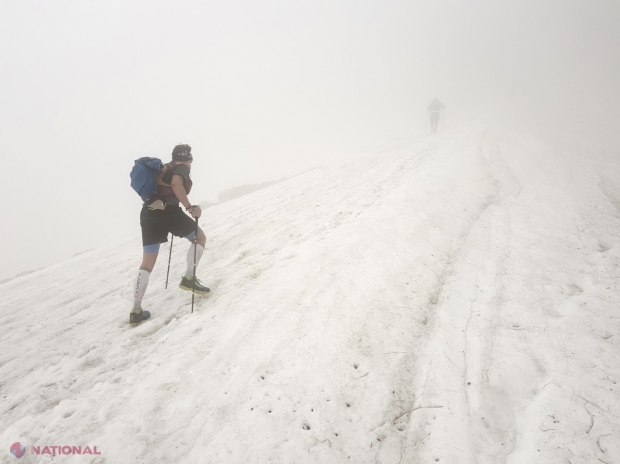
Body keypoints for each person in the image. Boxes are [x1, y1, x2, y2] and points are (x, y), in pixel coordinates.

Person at [130, 143, 210, 324]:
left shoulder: (163, 167)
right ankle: (190, 277)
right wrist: (190, 207)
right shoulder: (181, 167)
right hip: (169, 212)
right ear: (188, 158)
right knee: (199, 238)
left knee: (147, 264)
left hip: (149, 213)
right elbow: (176, 184)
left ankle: (136, 309)